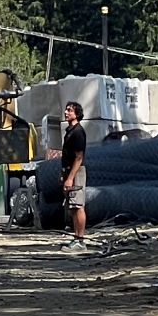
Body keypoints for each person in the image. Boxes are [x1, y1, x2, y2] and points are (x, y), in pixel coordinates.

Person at [61, 99, 88, 247]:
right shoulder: (69, 131)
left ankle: (81, 240)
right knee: (72, 207)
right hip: (69, 171)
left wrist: (70, 178)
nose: (66, 112)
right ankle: (76, 236)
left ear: (77, 114)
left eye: (70, 110)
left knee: (78, 206)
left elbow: (79, 157)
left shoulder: (78, 132)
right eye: (66, 110)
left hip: (76, 172)